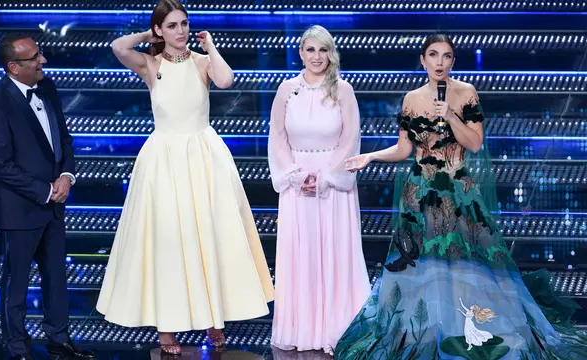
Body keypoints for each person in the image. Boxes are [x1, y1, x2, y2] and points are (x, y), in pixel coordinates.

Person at [334, 34, 587, 359]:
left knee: (470, 266)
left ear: (453, 61)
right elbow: (403, 149)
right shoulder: (410, 99)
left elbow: (475, 143)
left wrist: (451, 116)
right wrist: (370, 157)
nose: (440, 62)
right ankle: (425, 332)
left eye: (447, 56)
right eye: (434, 55)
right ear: (423, 60)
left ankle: (471, 334)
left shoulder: (466, 93)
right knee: (423, 268)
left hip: (458, 194)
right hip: (420, 194)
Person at [95, 0, 274, 355]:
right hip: (164, 160)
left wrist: (209, 47)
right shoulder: (150, 65)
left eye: (185, 24)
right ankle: (167, 329)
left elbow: (225, 80)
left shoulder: (201, 62)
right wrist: (152, 35)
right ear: (162, 29)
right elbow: (118, 47)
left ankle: (213, 321)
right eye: (173, 25)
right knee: (169, 243)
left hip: (203, 157)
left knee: (209, 236)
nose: (182, 31)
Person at [0, 34, 95, 360]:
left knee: (56, 277)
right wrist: (46, 191)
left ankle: (59, 340)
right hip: (21, 208)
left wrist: (66, 176)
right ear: (13, 67)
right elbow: (2, 166)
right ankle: (17, 347)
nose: (42, 60)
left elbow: (64, 139)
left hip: (54, 204)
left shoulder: (48, 88)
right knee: (16, 283)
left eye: (40, 54)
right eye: (34, 57)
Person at [268, 25, 370, 355]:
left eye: (322, 50)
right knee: (302, 255)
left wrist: (326, 175)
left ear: (331, 54)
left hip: (333, 185)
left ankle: (336, 328)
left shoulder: (343, 89)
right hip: (297, 185)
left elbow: (350, 138)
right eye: (310, 50)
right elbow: (278, 137)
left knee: (335, 252)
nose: (316, 57)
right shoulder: (287, 90)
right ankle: (302, 327)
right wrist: (294, 175)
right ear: (301, 53)